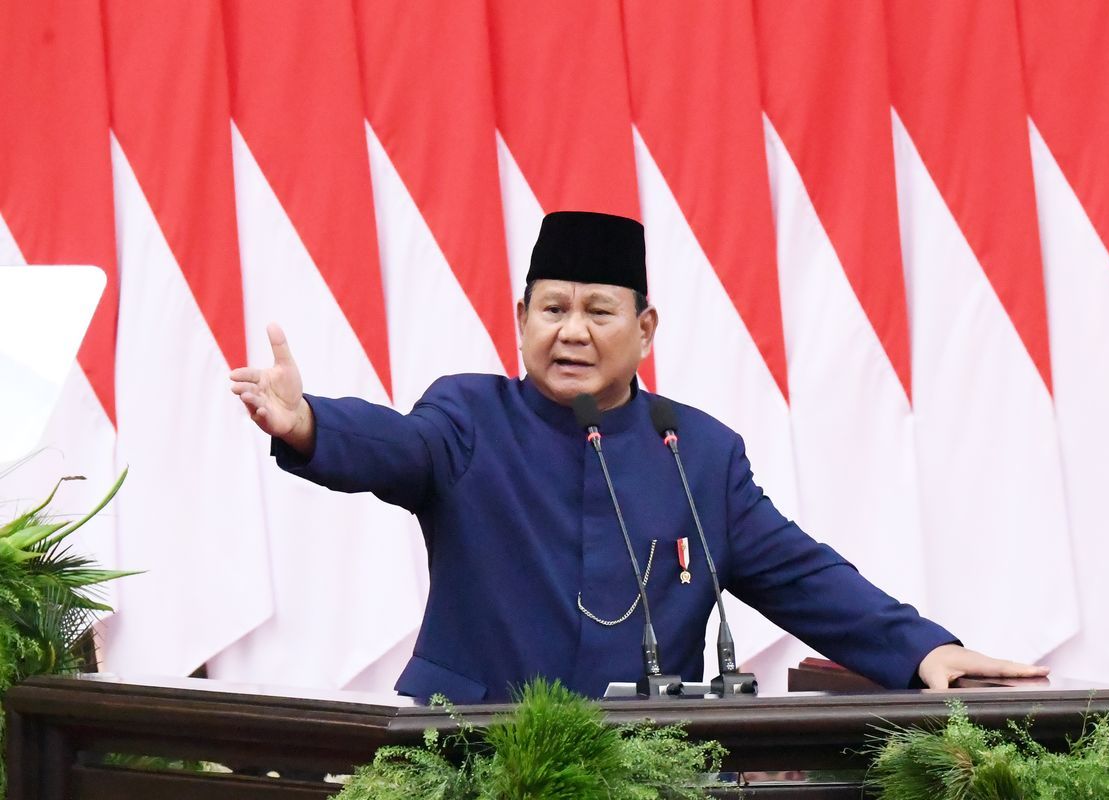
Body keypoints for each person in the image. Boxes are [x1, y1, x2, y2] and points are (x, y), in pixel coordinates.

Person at [230, 210, 1048, 703]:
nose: (571, 331)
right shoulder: (470, 417)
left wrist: (923, 648)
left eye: (598, 311)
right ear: (521, 319)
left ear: (645, 329)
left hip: (644, 766)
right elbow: (397, 447)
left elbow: (805, 577)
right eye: (552, 309)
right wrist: (309, 424)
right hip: (475, 756)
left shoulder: (698, 453)